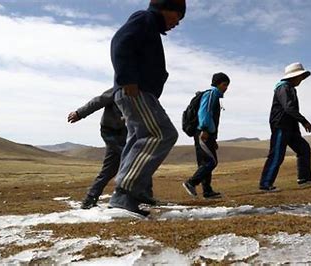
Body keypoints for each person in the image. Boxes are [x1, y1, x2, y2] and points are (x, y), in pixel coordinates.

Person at [108, 0, 185, 217]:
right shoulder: (145, 18)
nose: (177, 23)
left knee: (138, 138)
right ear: (166, 8)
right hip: (135, 90)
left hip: (138, 91)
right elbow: (119, 42)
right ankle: (125, 193)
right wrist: (127, 78)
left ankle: (135, 191)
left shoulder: (149, 25)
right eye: (178, 15)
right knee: (162, 133)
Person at [259, 62, 311, 192]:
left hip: (290, 127)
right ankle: (265, 184)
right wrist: (304, 121)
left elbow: (290, 110)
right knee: (277, 155)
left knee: (303, 148)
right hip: (281, 125)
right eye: (301, 77)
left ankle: (304, 178)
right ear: (294, 76)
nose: (301, 80)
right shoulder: (283, 88)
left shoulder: (290, 88)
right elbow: (288, 108)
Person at [67, 88, 126, 209]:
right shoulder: (120, 88)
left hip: (125, 132)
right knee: (129, 159)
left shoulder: (144, 91)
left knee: (111, 167)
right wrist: (79, 113)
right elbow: (98, 101)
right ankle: (133, 196)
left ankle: (90, 198)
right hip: (111, 131)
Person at [182, 73, 230, 199]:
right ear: (218, 84)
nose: (226, 88)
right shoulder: (211, 94)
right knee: (211, 161)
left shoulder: (213, 95)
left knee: (204, 163)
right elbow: (204, 112)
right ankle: (191, 182)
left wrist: (213, 138)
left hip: (207, 134)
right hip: (203, 132)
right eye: (224, 85)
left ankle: (207, 191)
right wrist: (204, 129)